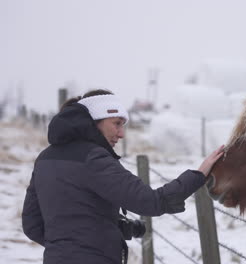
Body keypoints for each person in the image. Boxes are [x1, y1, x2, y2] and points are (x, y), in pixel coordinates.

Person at [21, 89, 224, 264]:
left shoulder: (45, 158)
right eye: (116, 123)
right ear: (95, 122)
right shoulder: (94, 158)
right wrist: (198, 174)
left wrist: (72, 245)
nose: (121, 134)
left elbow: (32, 224)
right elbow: (151, 202)